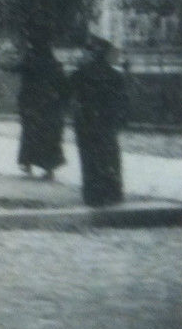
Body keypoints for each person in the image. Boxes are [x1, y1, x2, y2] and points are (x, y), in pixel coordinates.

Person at [70, 34, 128, 206]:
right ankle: (113, 192)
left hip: (86, 122)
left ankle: (94, 195)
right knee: (109, 156)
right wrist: (120, 121)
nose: (83, 54)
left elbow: (66, 93)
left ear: (93, 54)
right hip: (108, 123)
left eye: (86, 51)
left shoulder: (80, 74)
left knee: (89, 158)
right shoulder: (115, 75)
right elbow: (123, 101)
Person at [16, 21, 69, 179]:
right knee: (48, 135)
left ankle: (28, 162)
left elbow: (18, 68)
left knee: (30, 133)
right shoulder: (51, 61)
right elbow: (63, 83)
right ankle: (48, 167)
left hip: (32, 102)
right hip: (49, 104)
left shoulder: (30, 58)